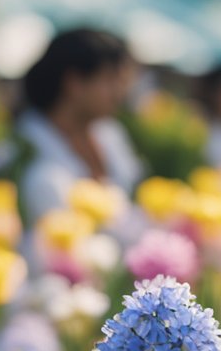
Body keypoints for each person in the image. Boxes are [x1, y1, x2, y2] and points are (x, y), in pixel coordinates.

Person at [15, 28, 143, 219]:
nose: (119, 93)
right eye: (110, 80)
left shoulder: (110, 134)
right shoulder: (21, 147)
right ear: (73, 82)